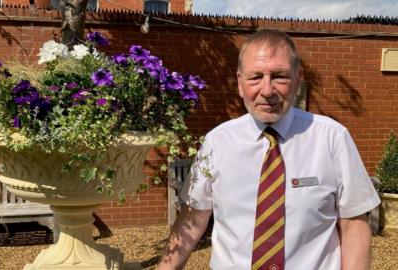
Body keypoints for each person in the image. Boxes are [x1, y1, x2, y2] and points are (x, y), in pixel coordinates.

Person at [157, 29, 380, 270]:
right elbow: (192, 220)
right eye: (255, 77)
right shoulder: (217, 142)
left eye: (279, 76)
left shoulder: (332, 138)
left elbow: (354, 225)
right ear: (240, 83)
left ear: (298, 78)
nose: (267, 90)